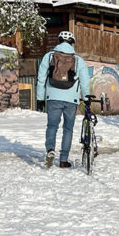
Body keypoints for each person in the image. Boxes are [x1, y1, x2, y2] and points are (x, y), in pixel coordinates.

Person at [36, 30, 91, 168]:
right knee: (68, 129)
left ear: (59, 41)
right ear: (72, 43)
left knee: (52, 126)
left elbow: (41, 78)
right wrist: (85, 98)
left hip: (53, 97)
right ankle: (63, 160)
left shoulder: (49, 56)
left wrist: (40, 98)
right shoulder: (78, 60)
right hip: (71, 100)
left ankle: (50, 149)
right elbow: (85, 81)